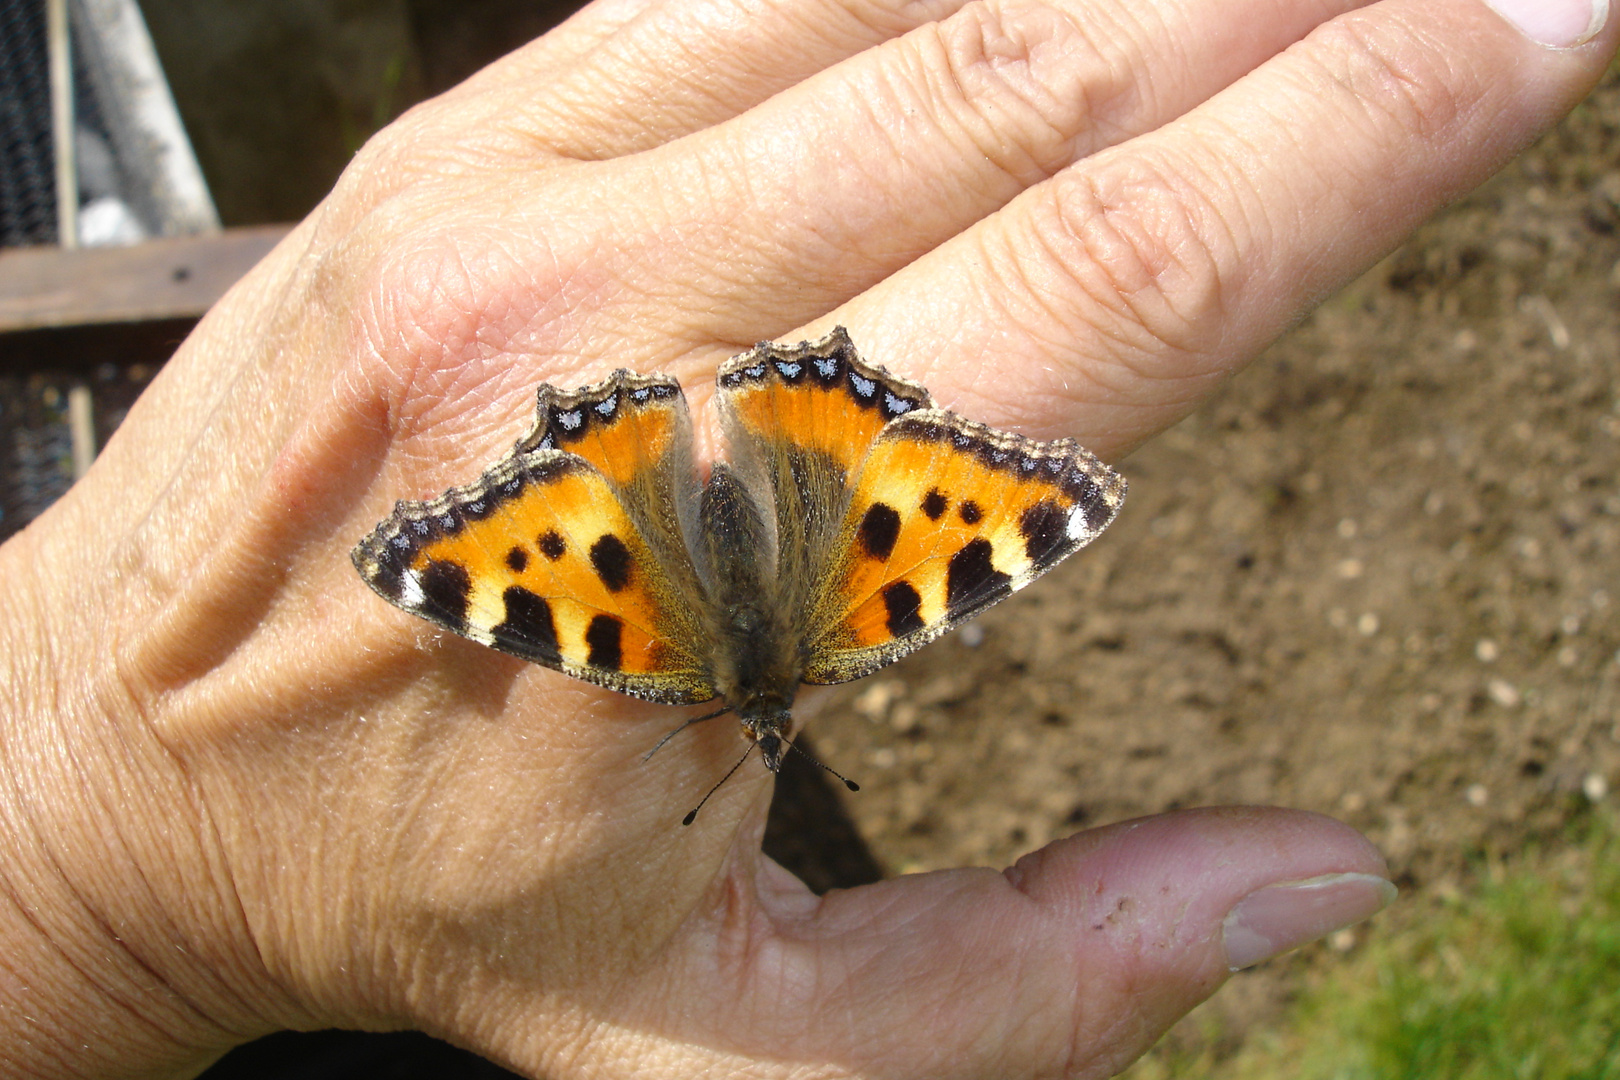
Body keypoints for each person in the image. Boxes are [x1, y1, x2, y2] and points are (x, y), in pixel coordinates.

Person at [0, 0, 1611, 1075]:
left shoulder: (648, 663)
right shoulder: (785, 642)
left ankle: (691, 445)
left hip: (666, 504)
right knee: (849, 572)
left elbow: (515, 579)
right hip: (815, 477)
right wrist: (96, 888)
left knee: (594, 626)